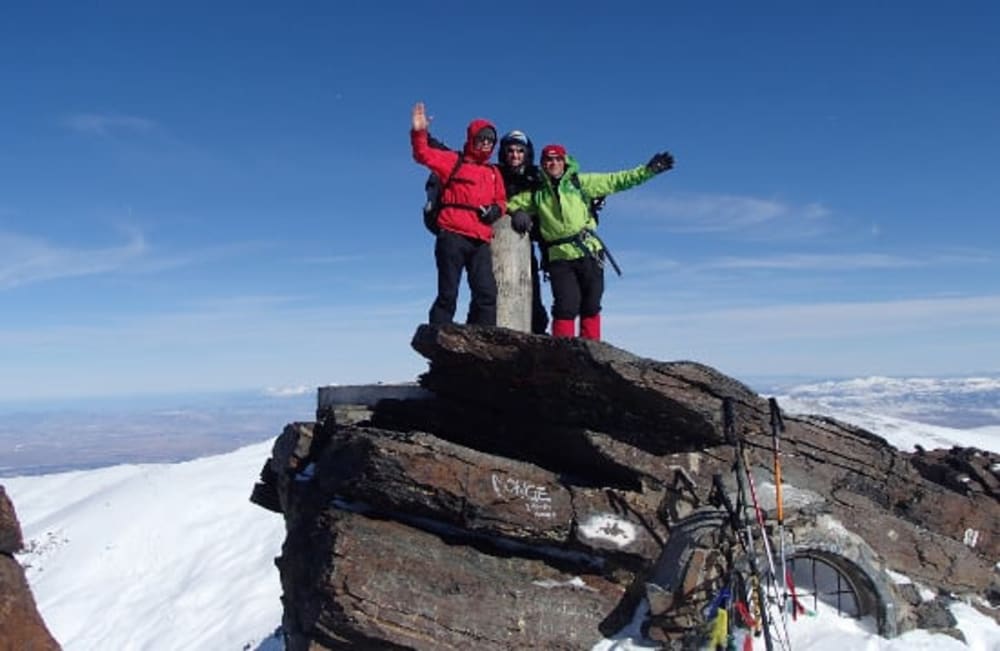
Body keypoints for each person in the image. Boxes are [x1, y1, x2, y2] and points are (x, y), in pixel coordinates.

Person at [506, 144, 674, 340]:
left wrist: (648, 171)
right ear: (543, 164)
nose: (553, 163)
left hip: (589, 252)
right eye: (548, 160)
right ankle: (561, 356)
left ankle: (592, 354)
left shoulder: (580, 183)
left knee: (591, 305)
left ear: (564, 162)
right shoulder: (537, 194)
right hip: (559, 257)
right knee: (565, 306)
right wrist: (515, 211)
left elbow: (617, 180)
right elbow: (507, 204)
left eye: (557, 159)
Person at [410, 102, 507, 326]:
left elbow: (502, 200)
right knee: (448, 295)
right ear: (472, 138)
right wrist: (419, 131)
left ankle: (484, 344)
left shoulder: (493, 172)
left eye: (490, 140)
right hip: (452, 236)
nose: (485, 143)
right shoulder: (454, 161)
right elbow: (422, 154)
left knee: (486, 294)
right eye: (481, 138)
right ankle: (436, 341)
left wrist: (495, 211)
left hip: (480, 240)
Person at [496, 130, 549, 335]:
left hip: (529, 243)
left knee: (532, 293)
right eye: (510, 150)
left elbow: (557, 193)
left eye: (520, 150)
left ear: (527, 153)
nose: (515, 155)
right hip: (499, 245)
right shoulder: (495, 174)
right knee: (490, 293)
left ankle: (537, 338)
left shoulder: (537, 176)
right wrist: (513, 211)